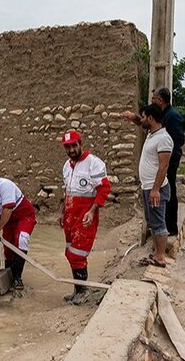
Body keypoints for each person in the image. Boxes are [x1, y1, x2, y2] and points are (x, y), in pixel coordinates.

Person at [122, 87, 185, 235]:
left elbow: (176, 140)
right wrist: (134, 118)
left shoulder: (173, 116)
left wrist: (164, 155)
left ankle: (169, 228)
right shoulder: (161, 115)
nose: (152, 101)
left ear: (160, 100)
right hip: (159, 162)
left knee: (166, 195)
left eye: (154, 99)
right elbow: (148, 126)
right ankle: (161, 228)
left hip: (166, 161)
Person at [59, 130, 111, 305]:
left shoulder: (93, 163)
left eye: (74, 145)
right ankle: (78, 289)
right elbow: (67, 191)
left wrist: (92, 211)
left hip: (84, 216)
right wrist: (62, 213)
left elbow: (103, 189)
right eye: (68, 147)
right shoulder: (67, 166)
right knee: (69, 252)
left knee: (78, 254)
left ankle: (83, 291)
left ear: (81, 144)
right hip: (69, 215)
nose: (71, 149)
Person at [138, 104, 173, 268]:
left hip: (155, 188)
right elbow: (140, 123)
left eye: (143, 117)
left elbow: (163, 166)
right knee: (152, 221)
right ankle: (156, 253)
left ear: (151, 118)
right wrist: (131, 116)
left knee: (159, 223)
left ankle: (160, 257)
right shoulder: (152, 134)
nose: (141, 120)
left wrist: (155, 190)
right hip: (148, 187)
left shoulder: (163, 138)